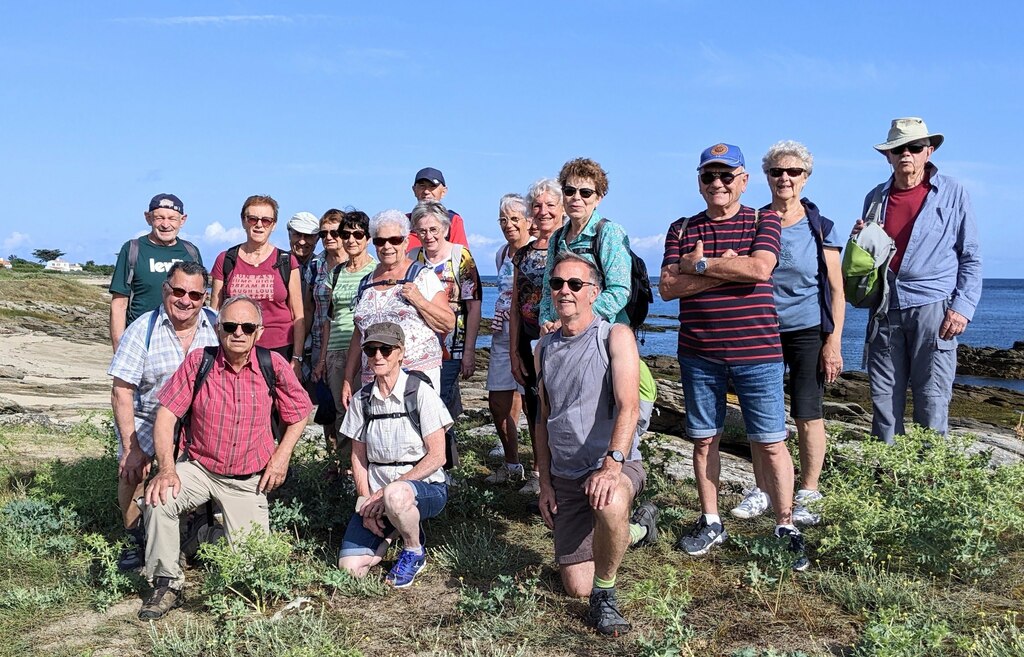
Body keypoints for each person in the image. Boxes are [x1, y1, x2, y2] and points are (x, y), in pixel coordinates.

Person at [659, 143, 807, 570]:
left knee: (772, 442)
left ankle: (785, 526)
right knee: (704, 440)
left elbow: (760, 269)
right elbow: (667, 288)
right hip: (698, 354)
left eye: (727, 176)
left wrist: (699, 266)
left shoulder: (764, 219)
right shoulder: (681, 228)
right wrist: (728, 268)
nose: (718, 183)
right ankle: (711, 520)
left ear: (743, 181)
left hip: (758, 353)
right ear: (699, 182)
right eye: (709, 176)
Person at [138, 295, 312, 620]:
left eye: (247, 327)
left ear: (259, 332)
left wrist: (281, 456)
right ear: (218, 329)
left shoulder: (272, 365)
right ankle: (166, 583)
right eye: (230, 326)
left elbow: (300, 411)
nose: (238, 333)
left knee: (251, 574)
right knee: (159, 498)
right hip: (200, 468)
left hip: (247, 481)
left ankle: (204, 536)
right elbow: (166, 415)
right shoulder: (199, 362)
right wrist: (166, 469)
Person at [535, 253, 658, 637]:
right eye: (557, 284)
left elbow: (629, 406)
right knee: (576, 586)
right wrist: (545, 483)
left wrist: (612, 464)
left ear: (594, 292)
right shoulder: (543, 348)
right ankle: (637, 531)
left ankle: (605, 597)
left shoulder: (614, 336)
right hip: (566, 475)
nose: (565, 291)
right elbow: (542, 418)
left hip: (613, 463)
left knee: (610, 499)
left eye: (575, 284)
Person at [730, 141, 845, 526]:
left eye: (793, 172)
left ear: (805, 177)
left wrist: (833, 342)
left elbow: (837, 290)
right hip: (760, 330)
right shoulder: (754, 222)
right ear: (766, 177)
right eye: (777, 171)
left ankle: (808, 492)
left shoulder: (820, 228)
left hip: (807, 331)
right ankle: (762, 490)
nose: (785, 178)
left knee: (808, 413)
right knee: (759, 415)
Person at [856, 118, 982, 444]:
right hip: (885, 308)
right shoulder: (875, 197)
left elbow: (970, 256)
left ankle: (931, 472)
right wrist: (860, 240)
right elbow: (870, 257)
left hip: (933, 308)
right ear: (888, 155)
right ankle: (887, 470)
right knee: (884, 400)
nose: (906, 154)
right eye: (899, 149)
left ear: (929, 151)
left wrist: (962, 307)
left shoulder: (953, 192)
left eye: (914, 147)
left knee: (932, 398)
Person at [107, 262, 219, 570]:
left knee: (201, 470)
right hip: (148, 413)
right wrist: (131, 447)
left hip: (196, 418)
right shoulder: (142, 329)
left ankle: (190, 532)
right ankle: (134, 537)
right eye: (178, 291)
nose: (185, 300)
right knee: (134, 470)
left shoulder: (217, 325)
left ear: (204, 297)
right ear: (165, 290)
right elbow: (122, 391)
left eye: (194, 295)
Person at [336, 322, 452, 588]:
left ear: (401, 352)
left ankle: (413, 550)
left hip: (425, 488)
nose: (378, 356)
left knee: (396, 495)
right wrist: (366, 504)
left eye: (386, 349)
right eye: (371, 350)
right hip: (378, 495)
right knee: (351, 569)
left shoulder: (420, 392)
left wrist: (385, 494)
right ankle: (394, 529)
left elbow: (438, 456)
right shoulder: (361, 400)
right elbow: (358, 458)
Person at [341, 210, 455, 406]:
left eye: (394, 240)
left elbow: (448, 323)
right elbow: (359, 334)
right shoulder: (365, 283)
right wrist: (348, 378)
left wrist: (419, 300)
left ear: (405, 242)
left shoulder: (422, 276)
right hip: (374, 377)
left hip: (415, 376)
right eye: (380, 241)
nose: (387, 246)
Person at [409, 200, 482, 463]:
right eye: (422, 230)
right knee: (423, 402)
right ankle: (438, 462)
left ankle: (443, 463)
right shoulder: (413, 258)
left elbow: (474, 306)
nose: (428, 235)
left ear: (445, 229)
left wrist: (469, 352)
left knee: (438, 402)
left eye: (433, 229)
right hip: (420, 346)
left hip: (452, 346)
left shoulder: (460, 256)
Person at [509, 178, 565, 494]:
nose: (543, 211)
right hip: (529, 339)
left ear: (562, 208)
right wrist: (514, 351)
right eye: (537, 206)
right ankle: (538, 472)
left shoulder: (569, 246)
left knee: (562, 406)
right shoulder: (522, 255)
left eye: (550, 205)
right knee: (535, 406)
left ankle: (564, 475)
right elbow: (516, 304)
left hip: (562, 338)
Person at [210, 195, 305, 379]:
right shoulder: (226, 259)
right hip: (235, 347)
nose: (259, 225)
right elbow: (214, 311)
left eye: (266, 220)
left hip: (279, 349)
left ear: (273, 225)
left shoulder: (286, 261)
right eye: (253, 219)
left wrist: (297, 358)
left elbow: (298, 314)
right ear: (243, 221)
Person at [539, 158, 632, 333]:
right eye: (569, 191)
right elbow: (547, 290)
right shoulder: (556, 238)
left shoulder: (609, 233)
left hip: (599, 334)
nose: (576, 197)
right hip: (559, 333)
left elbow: (620, 291)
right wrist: (545, 321)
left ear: (598, 198)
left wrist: (576, 319)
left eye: (586, 193)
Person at [109, 193, 202, 351]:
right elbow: (119, 304)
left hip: (183, 343)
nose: (166, 224)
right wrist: (119, 349)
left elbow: (199, 300)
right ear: (148, 218)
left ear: (182, 220)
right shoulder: (132, 249)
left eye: (172, 218)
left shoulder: (191, 252)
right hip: (141, 340)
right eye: (159, 218)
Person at [315, 210, 376, 451]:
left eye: (357, 235)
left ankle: (367, 461)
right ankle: (344, 463)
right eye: (346, 234)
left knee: (368, 406)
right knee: (342, 408)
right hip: (336, 350)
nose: (351, 240)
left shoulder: (376, 270)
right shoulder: (336, 273)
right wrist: (322, 359)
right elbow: (329, 318)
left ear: (367, 238)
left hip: (366, 350)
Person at [484, 193, 531, 484]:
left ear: (529, 221)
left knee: (533, 405)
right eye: (503, 219)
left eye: (515, 218)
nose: (508, 224)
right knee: (497, 402)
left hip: (528, 335)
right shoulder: (502, 253)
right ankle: (512, 464)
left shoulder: (538, 250)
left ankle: (539, 472)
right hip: (502, 334)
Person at [405, 167, 469, 250]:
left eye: (432, 186)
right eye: (422, 186)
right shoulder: (403, 222)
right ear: (414, 190)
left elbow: (460, 254)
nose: (426, 191)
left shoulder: (452, 220)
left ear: (443, 191)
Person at [288, 211, 322, 289]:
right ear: (289, 235)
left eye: (308, 236)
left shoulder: (323, 268)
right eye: (298, 234)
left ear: (317, 239)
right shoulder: (277, 265)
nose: (302, 242)